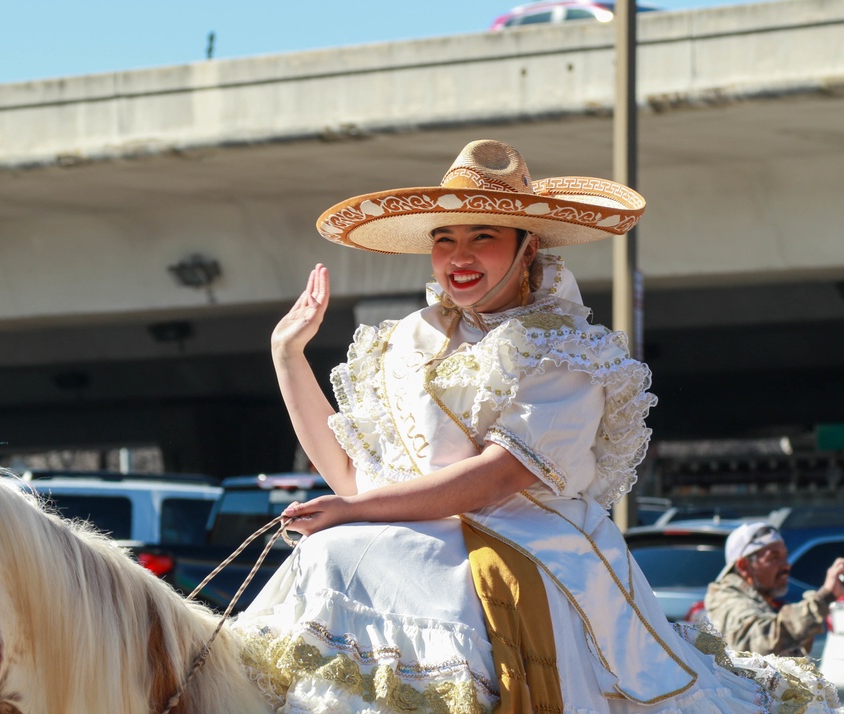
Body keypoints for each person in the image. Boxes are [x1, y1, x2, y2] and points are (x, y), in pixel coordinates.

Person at [230, 140, 842, 712]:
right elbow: (350, 474)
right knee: (329, 558)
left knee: (341, 552)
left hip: (532, 546)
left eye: (483, 236)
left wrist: (357, 513)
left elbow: (500, 478)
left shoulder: (563, 349)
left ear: (529, 247)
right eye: (444, 239)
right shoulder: (406, 341)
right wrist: (289, 356)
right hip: (411, 536)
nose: (459, 256)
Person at [706, 521, 844, 657]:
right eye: (774, 558)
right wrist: (825, 596)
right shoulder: (728, 600)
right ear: (743, 566)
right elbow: (762, 642)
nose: (786, 566)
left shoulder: (762, 601)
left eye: (784, 557)